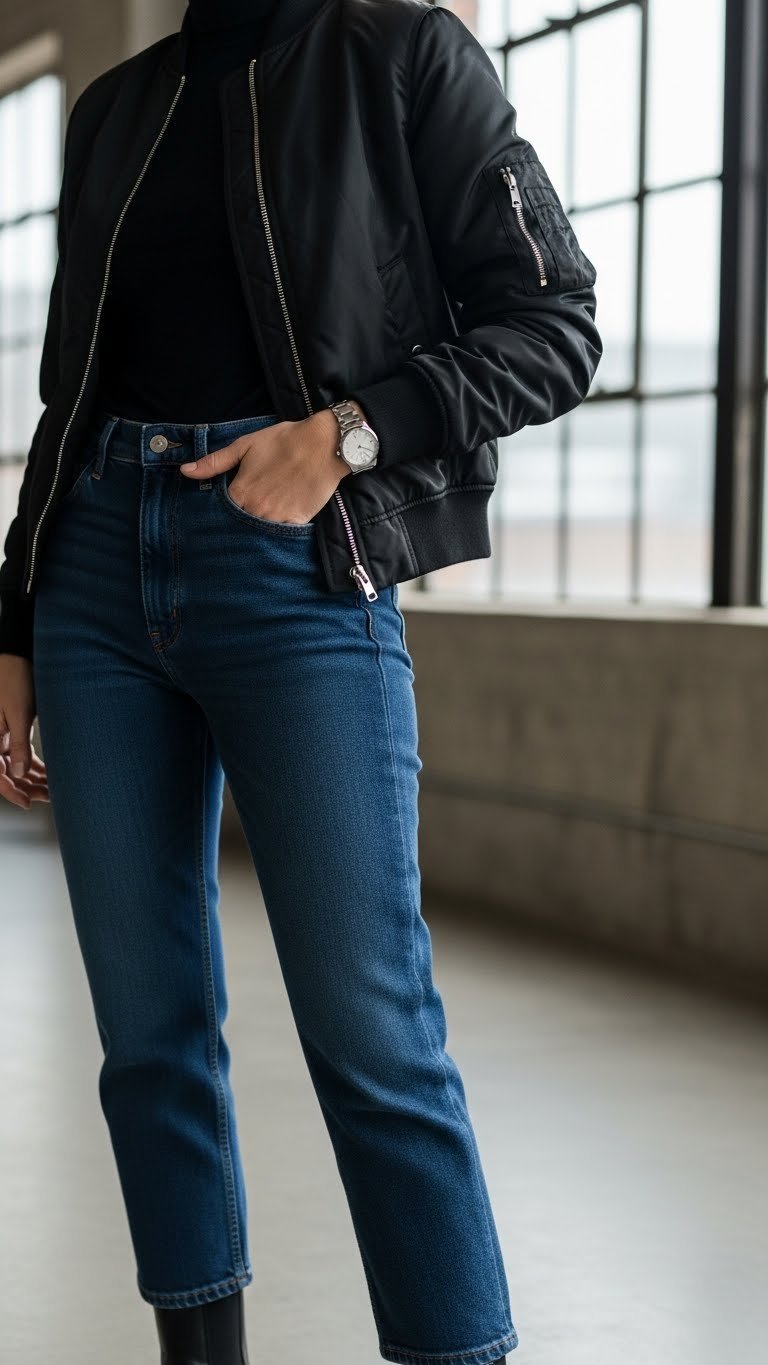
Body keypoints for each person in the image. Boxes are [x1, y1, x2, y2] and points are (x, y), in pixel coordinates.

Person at [0, 0, 602, 1360]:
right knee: (148, 1036)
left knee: (372, 1030)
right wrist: (18, 615)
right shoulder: (117, 108)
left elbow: (556, 322)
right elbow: (69, 392)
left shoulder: (403, 55)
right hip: (96, 572)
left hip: (301, 570)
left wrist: (350, 433)